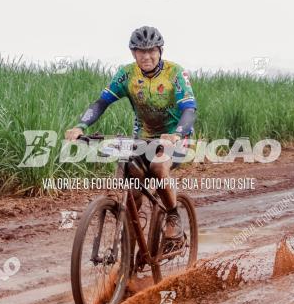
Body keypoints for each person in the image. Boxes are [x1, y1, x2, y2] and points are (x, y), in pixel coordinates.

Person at [64, 25, 197, 238]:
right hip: (143, 138)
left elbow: (189, 109)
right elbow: (101, 102)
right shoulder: (126, 75)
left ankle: (172, 214)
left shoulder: (175, 73)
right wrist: (81, 126)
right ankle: (130, 248)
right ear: (133, 53)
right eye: (141, 51)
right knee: (131, 181)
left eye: (151, 50)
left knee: (158, 165)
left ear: (160, 51)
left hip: (177, 138)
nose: (146, 56)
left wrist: (177, 134)